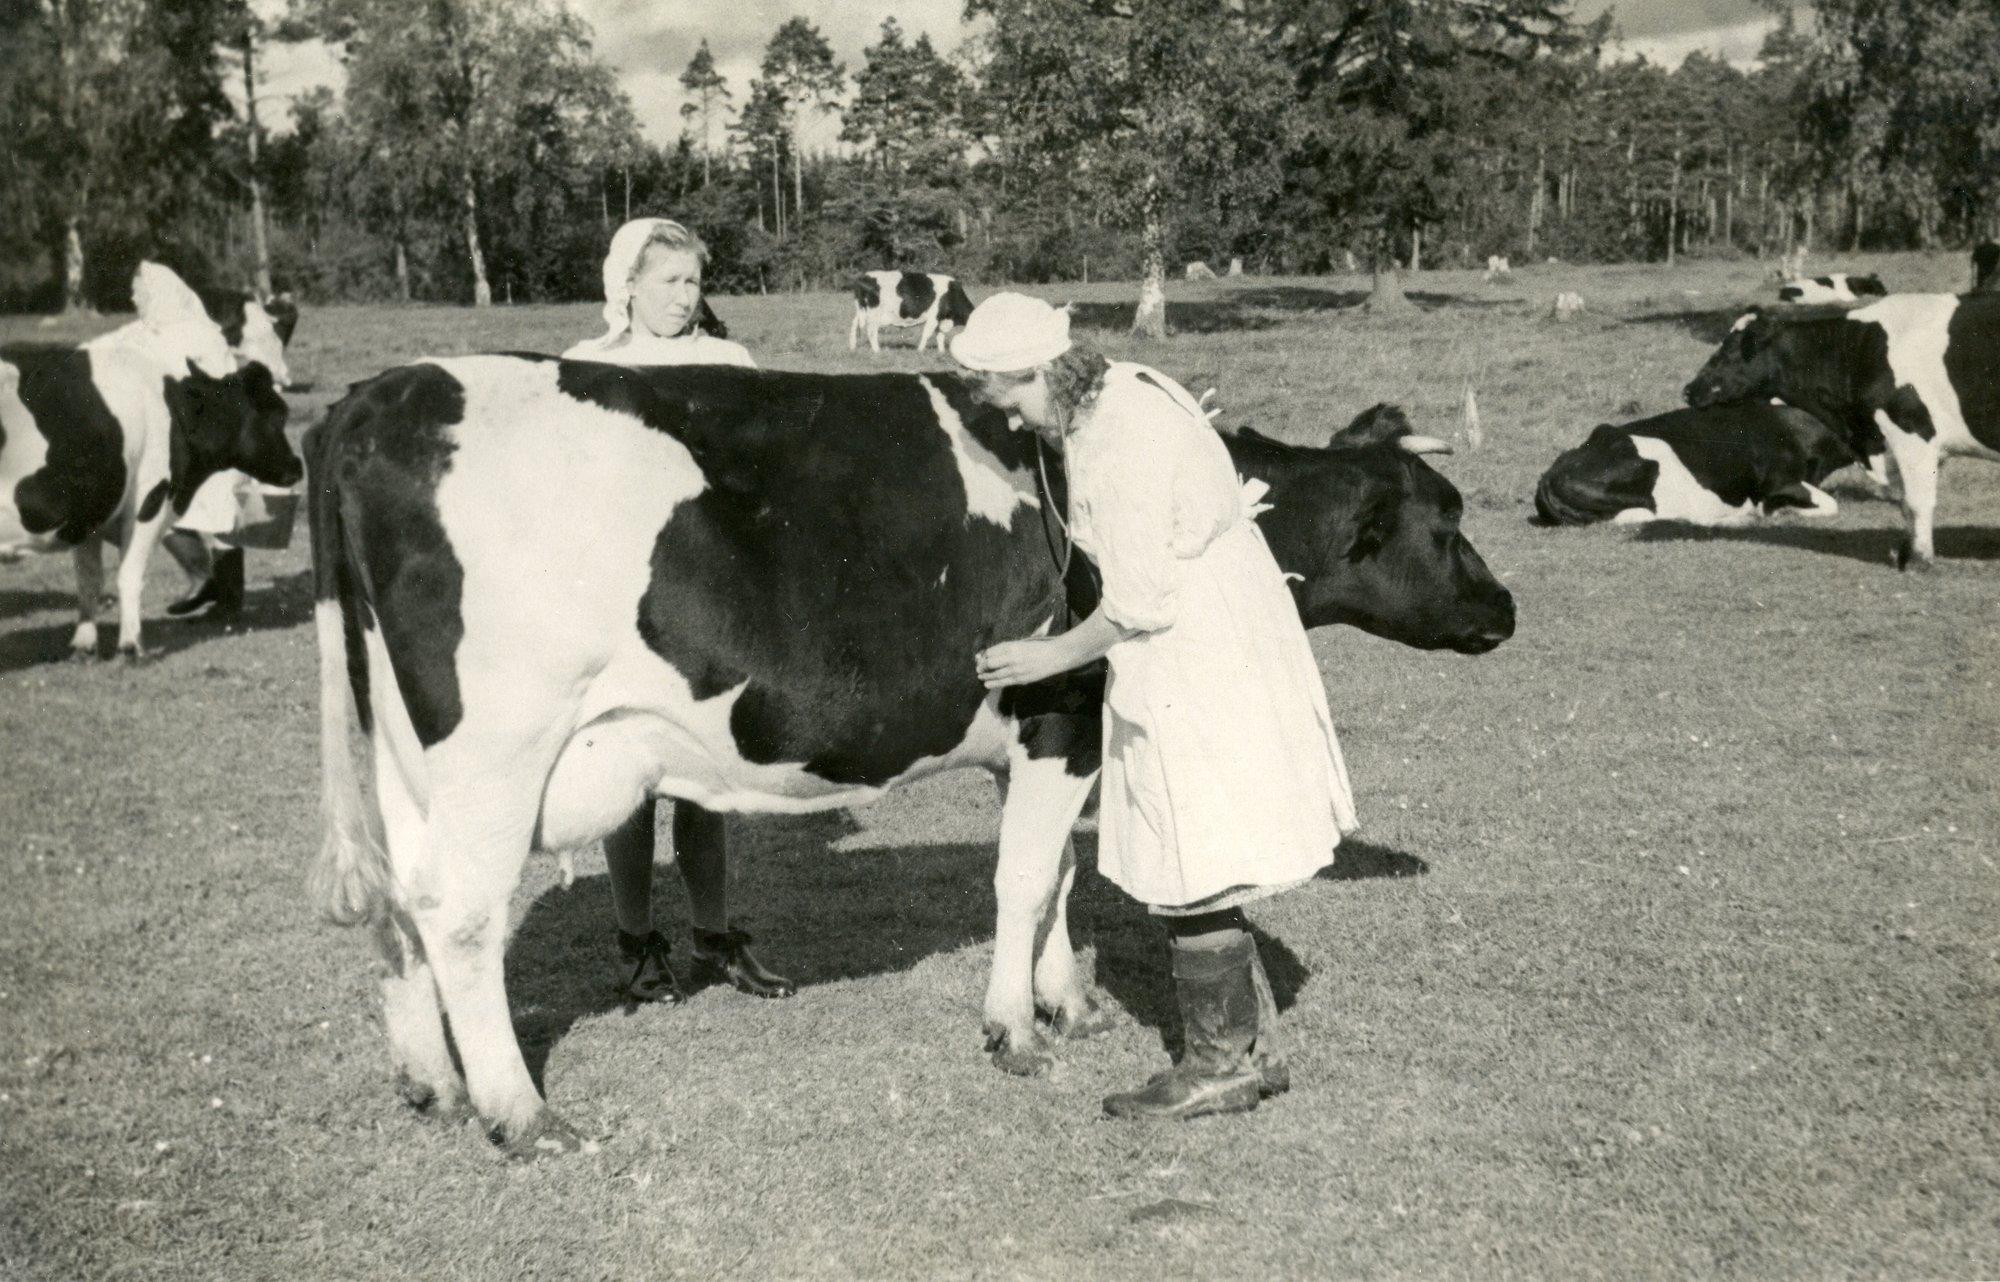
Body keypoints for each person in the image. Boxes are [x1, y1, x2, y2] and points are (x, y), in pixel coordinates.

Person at [954, 293, 1357, 1121]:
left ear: (1041, 372)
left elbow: (1138, 599)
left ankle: (1217, 1067)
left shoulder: (1113, 441)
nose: (1018, 421)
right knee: (1205, 838)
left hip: (1194, 643)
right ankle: (1247, 1049)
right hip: (1222, 615)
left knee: (1192, 847)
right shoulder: (1128, 386)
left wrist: (1047, 655)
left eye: (1012, 398)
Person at [562, 217, 795, 1006]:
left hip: (709, 591)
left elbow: (761, 472)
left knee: (703, 768)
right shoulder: (586, 367)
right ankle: (635, 941)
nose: (684, 297)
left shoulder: (727, 363)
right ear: (626, 284)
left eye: (694, 282)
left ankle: (715, 937)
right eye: (668, 282)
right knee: (630, 773)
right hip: (616, 595)